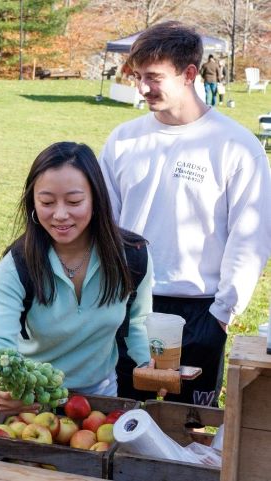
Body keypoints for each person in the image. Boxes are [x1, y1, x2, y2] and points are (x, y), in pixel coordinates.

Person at [99, 22, 271, 406]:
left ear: (190, 74)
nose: (143, 88)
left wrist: (222, 313)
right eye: (139, 77)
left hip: (199, 310)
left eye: (154, 77)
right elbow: (103, 224)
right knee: (122, 418)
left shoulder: (236, 146)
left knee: (190, 427)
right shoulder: (123, 140)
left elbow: (251, 235)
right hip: (128, 303)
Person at [0, 141, 153, 412]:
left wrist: (148, 365)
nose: (60, 215)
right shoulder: (16, 267)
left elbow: (139, 323)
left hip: (101, 400)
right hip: (33, 404)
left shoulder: (132, 257)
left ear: (96, 199)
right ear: (33, 202)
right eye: (47, 202)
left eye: (74, 201)